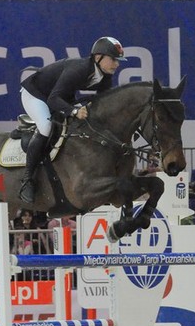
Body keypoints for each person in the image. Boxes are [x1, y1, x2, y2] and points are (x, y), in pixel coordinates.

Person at [18, 36, 126, 203]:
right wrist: (74, 110)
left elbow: (101, 104)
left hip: (60, 95)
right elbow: (54, 99)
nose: (117, 64)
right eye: (113, 59)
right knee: (46, 126)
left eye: (118, 60)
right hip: (36, 94)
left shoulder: (106, 77)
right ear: (98, 57)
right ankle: (27, 180)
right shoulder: (79, 68)